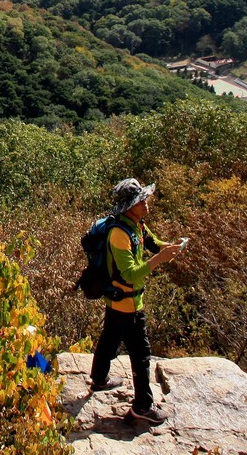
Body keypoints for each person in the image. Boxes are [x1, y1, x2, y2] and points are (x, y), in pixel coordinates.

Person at [89, 178, 183, 426]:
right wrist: (159, 260)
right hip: (127, 303)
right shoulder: (119, 234)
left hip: (121, 301)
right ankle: (143, 405)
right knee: (141, 355)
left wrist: (168, 248)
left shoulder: (136, 225)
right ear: (130, 206)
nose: (146, 203)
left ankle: (99, 379)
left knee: (110, 339)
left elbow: (152, 243)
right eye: (142, 200)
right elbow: (130, 273)